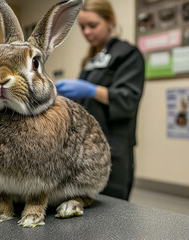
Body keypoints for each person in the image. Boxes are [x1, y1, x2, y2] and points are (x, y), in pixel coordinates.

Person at [55, 0, 145, 200]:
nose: (87, 32)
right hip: (86, 146)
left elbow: (128, 99)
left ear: (110, 21)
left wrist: (91, 90)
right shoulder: (90, 61)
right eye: (82, 27)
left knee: (111, 206)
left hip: (115, 144)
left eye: (92, 26)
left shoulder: (128, 55)